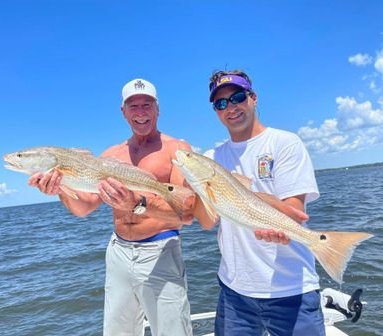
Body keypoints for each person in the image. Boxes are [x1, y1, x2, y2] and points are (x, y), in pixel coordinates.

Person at [27, 78, 196, 336]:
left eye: (146, 105)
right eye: (133, 106)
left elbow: (186, 213)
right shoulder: (109, 156)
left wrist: (137, 203)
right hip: (118, 252)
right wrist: (59, 188)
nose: (140, 112)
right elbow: (83, 208)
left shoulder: (176, 150)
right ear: (123, 112)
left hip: (160, 250)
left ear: (158, 108)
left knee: (172, 331)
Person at [203, 70, 325, 336]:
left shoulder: (285, 143)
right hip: (235, 293)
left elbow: (294, 213)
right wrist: (198, 191)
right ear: (215, 110)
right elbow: (206, 220)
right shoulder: (212, 157)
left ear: (253, 97)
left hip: (292, 290)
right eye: (221, 104)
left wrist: (254, 197)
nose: (230, 108)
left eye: (236, 98)